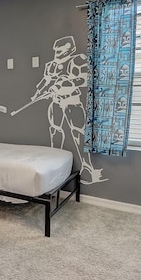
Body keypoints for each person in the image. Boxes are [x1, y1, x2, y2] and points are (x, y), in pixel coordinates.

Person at [31, 36, 106, 184]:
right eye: (56, 51)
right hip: (56, 102)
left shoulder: (77, 60)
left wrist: (63, 84)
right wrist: (38, 92)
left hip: (72, 101)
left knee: (78, 133)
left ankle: (87, 167)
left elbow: (84, 79)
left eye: (61, 51)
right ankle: (52, 165)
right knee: (55, 130)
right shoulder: (51, 64)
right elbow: (46, 80)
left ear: (69, 49)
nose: (57, 54)